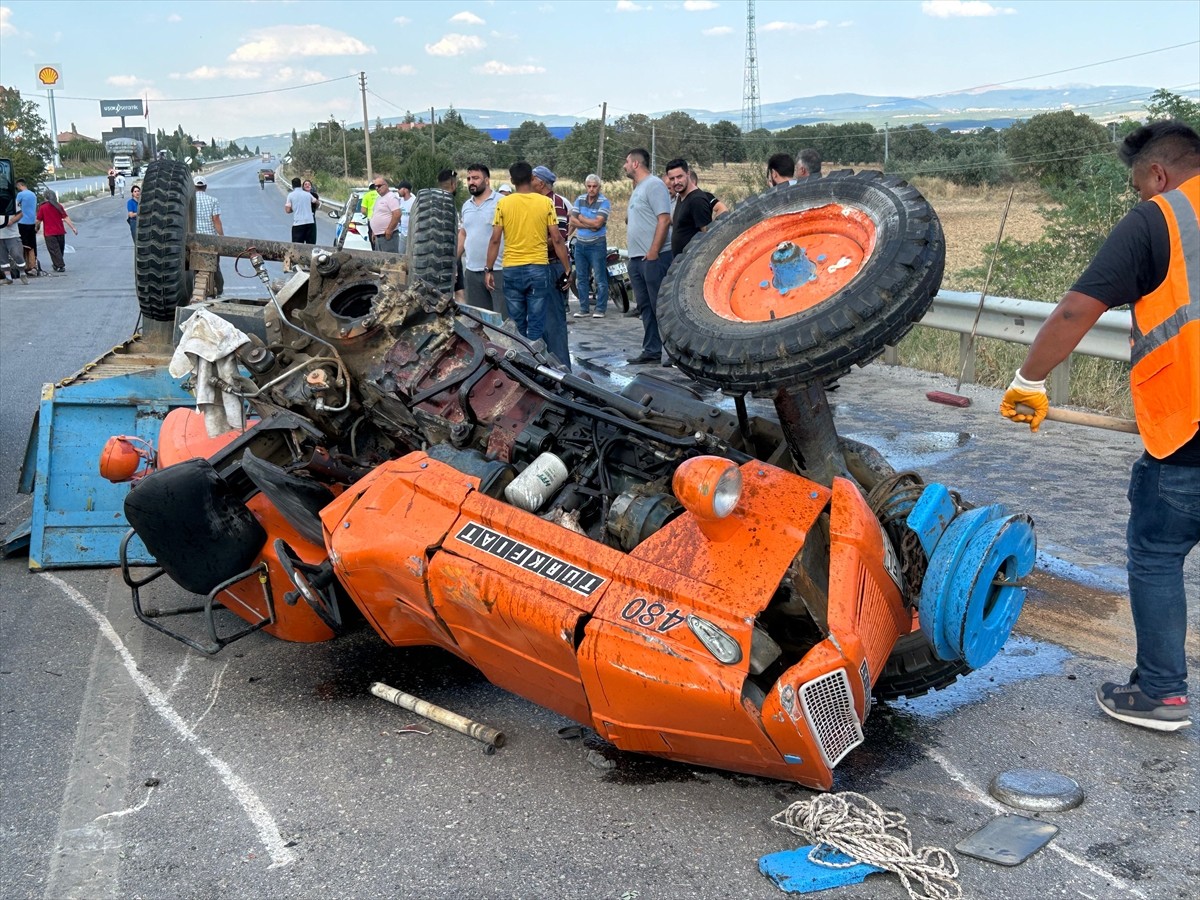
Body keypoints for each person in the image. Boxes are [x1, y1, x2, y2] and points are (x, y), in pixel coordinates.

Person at [1000, 120, 1199, 733]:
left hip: (1190, 431)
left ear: (1158, 173)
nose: (1140, 195)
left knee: (1159, 552)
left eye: (1139, 184)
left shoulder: (1161, 218)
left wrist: (1030, 380)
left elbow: (1076, 309)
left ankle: (1163, 694)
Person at [485, 161, 571, 368]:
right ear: (530, 178)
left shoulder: (503, 203)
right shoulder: (545, 203)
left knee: (518, 323)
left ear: (512, 180)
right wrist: (568, 269)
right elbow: (557, 239)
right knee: (537, 322)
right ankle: (541, 367)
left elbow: (495, 239)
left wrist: (488, 269)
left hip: (512, 270)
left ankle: (524, 366)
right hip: (538, 270)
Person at [623, 148, 673, 365]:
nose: (624, 166)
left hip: (654, 257)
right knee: (644, 306)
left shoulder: (654, 185)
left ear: (635, 164)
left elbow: (664, 219)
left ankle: (674, 353)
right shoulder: (638, 188)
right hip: (637, 258)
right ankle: (652, 349)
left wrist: (653, 252)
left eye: (626, 162)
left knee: (659, 306)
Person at [530, 165, 574, 369]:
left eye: (533, 179)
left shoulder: (555, 203)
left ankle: (563, 370)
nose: (530, 183)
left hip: (551, 266)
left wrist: (531, 242)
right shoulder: (538, 202)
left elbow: (560, 237)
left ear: (541, 182)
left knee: (554, 323)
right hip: (540, 265)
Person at [458, 163, 506, 315]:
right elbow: (464, 233)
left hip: (498, 270)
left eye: (476, 178)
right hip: (472, 271)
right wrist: (455, 260)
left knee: (503, 320)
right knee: (478, 320)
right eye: (469, 178)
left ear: (487, 181)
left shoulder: (501, 202)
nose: (471, 182)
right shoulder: (466, 205)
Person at [570, 174, 611, 318]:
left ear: (599, 187)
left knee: (600, 278)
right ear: (585, 186)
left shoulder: (604, 202)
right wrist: (588, 223)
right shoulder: (580, 199)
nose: (591, 189)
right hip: (580, 244)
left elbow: (597, 224)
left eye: (594, 186)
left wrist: (580, 218)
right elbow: (572, 220)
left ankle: (600, 309)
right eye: (589, 186)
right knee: (581, 277)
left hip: (597, 244)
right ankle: (584, 309)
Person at [664, 158, 712, 256]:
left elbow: (708, 237)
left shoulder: (697, 200)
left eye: (679, 177)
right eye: (672, 179)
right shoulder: (680, 196)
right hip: (680, 263)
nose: (676, 182)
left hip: (692, 264)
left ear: (688, 174)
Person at [193, 176, 225, 295]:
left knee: (195, 266)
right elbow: (216, 219)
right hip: (210, 239)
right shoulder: (213, 200)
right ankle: (219, 289)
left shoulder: (190, 201)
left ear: (194, 187)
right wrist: (221, 236)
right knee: (214, 266)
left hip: (194, 239)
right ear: (205, 187)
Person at [36, 190, 77, 273]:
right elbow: (65, 217)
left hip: (49, 233)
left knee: (54, 250)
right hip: (60, 232)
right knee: (59, 250)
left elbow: (38, 220)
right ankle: (57, 264)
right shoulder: (59, 206)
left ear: (46, 197)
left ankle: (60, 265)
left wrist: (34, 228)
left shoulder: (43, 207)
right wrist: (73, 227)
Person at [368, 175, 402, 253]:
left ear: (386, 185)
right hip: (378, 236)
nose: (377, 188)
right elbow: (376, 215)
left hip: (387, 236)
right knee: (380, 261)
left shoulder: (391, 197)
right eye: (375, 186)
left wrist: (389, 230)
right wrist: (374, 232)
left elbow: (397, 214)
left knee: (389, 261)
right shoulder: (379, 198)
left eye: (379, 186)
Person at [15, 179, 41, 276]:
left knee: (22, 244)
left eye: (17, 186)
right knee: (31, 245)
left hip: (22, 222)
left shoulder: (21, 195)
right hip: (31, 222)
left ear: (20, 185)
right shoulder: (33, 194)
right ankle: (33, 265)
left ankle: (23, 265)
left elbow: (15, 206)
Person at [0, 205, 29, 284]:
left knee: (16, 254)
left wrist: (11, 221)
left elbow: (20, 214)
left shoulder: (10, 201)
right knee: (2, 258)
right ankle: (8, 278)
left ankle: (22, 273)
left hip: (12, 234)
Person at [284, 177, 317, 244]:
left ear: (292, 186)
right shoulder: (308, 194)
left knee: (297, 247)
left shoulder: (291, 195)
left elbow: (287, 210)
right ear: (300, 184)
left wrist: (294, 208)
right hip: (310, 223)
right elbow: (317, 202)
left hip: (298, 224)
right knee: (310, 246)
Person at [395, 181, 415, 254]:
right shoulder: (401, 201)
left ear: (405, 190)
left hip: (411, 233)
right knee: (401, 253)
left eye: (399, 189)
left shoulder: (413, 201)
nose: (398, 191)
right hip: (402, 233)